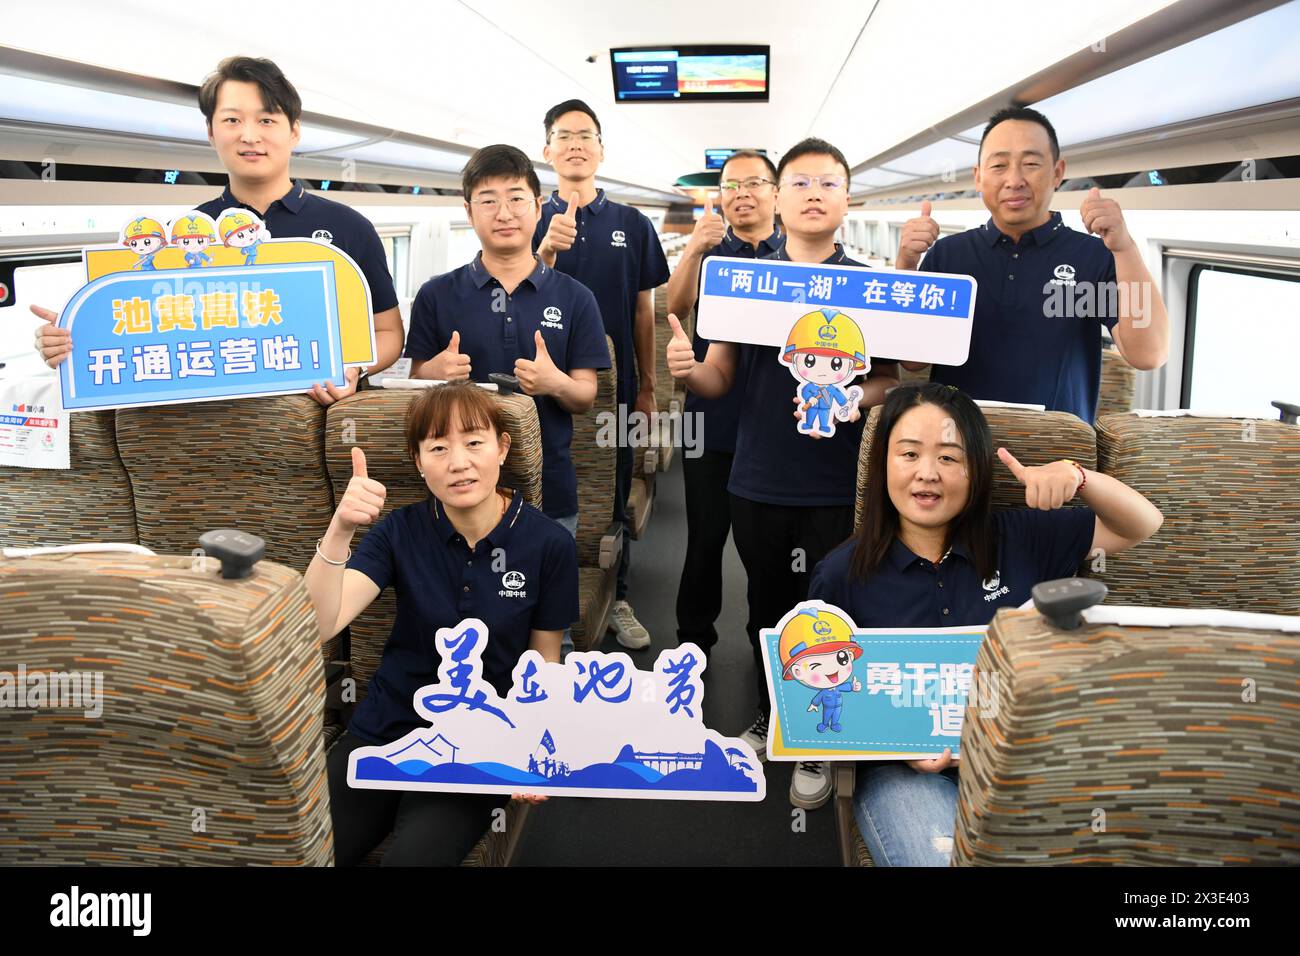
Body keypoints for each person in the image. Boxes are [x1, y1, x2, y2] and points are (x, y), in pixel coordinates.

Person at [809, 382, 1163, 865]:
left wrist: (1079, 477)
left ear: (977, 470)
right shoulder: (841, 574)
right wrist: (900, 748)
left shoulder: (1021, 539)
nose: (927, 473)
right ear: (882, 465)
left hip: (1020, 756)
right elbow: (824, 703)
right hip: (908, 773)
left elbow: (1141, 523)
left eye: (950, 458)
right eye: (908, 454)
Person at [667, 137, 900, 811]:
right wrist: (690, 371)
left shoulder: (868, 284)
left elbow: (892, 378)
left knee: (828, 613)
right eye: (800, 182)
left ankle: (818, 741)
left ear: (847, 199)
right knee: (765, 610)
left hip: (834, 480)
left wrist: (857, 397)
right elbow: (720, 375)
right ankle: (778, 717)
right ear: (782, 197)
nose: (814, 193)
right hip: (756, 476)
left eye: (828, 182)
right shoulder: (743, 277)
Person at [306, 382, 578, 866]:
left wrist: (531, 748)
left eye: (475, 442)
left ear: (503, 447)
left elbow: (544, 661)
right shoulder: (398, 530)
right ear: (418, 461)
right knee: (306, 853)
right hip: (384, 730)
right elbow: (322, 623)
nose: (458, 462)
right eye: (438, 447)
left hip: (479, 746)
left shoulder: (549, 544)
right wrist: (341, 527)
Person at [32, 55, 404, 407]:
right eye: (231, 121)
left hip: (314, 424)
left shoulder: (349, 226)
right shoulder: (183, 237)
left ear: (294, 131)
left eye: (266, 120)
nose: (249, 135)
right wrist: (73, 340)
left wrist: (354, 366)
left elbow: (388, 333)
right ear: (211, 133)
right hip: (216, 432)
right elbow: (154, 338)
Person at [405, 144, 609, 654]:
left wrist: (554, 382)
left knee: (549, 626)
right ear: (468, 211)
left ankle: (545, 720)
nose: (505, 213)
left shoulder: (575, 297)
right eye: (488, 200)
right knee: (462, 621)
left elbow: (586, 395)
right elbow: (412, 381)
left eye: (517, 198)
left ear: (540, 208)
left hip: (550, 488)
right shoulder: (437, 294)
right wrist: (435, 372)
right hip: (461, 493)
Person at [895, 106, 1169, 424]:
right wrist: (906, 265)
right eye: (999, 165)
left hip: (1056, 455)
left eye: (1031, 164)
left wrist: (1124, 247)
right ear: (978, 177)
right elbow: (913, 361)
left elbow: (1149, 354)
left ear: (1056, 172)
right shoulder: (949, 255)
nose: (1014, 180)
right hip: (957, 449)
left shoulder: (1092, 257)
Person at [533, 99, 670, 650]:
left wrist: (648, 389)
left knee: (612, 494)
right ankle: (544, 607)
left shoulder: (632, 224)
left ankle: (618, 597)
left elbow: (643, 311)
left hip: (615, 389)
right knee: (544, 495)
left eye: (585, 135)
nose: (575, 144)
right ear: (547, 151)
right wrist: (543, 252)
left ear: (601, 150)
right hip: (540, 386)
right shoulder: (526, 217)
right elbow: (513, 291)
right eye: (563, 136)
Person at [665, 150, 782, 657]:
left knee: (770, 556)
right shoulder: (711, 255)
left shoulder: (800, 258)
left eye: (754, 182)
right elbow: (674, 307)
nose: (742, 194)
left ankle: (771, 655)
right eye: (731, 186)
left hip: (775, 426)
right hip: (711, 422)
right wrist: (693, 249)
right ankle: (692, 644)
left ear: (776, 191)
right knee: (704, 542)